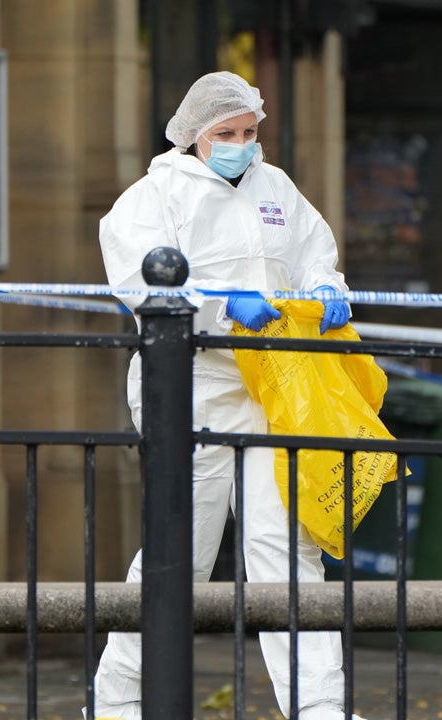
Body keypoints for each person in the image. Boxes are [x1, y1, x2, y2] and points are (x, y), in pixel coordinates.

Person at [91, 71, 363, 720]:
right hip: (191, 390)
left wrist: (327, 290)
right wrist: (219, 309)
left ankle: (320, 710)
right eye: (227, 134)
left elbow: (315, 255)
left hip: (276, 391)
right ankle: (118, 706)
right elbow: (141, 285)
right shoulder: (153, 198)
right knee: (174, 557)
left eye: (249, 132)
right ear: (193, 136)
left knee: (287, 554)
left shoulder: (277, 190)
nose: (243, 144)